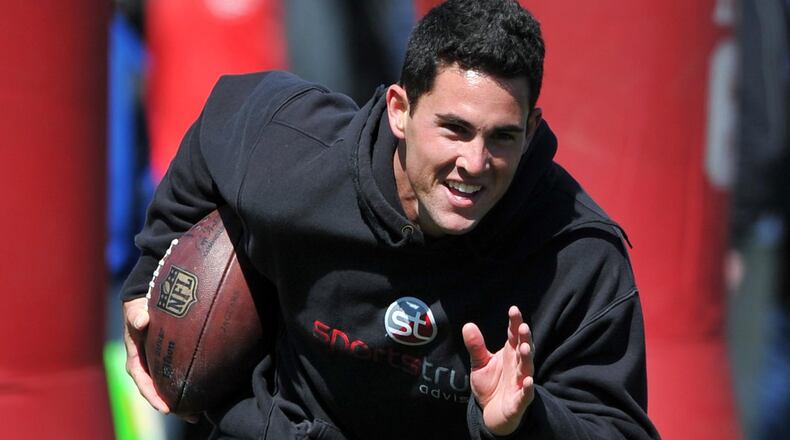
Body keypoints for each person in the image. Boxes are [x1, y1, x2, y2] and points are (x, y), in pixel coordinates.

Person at [122, 1, 660, 438]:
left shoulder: (578, 256)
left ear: (533, 126)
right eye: (454, 129)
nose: (474, 163)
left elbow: (617, 428)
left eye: (503, 137)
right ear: (400, 110)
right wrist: (150, 275)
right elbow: (221, 122)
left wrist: (524, 420)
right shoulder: (297, 151)